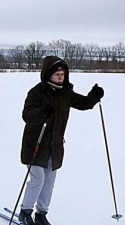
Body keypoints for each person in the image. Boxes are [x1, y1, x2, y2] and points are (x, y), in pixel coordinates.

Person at [18, 56, 104, 225]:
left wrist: (94, 96)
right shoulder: (36, 92)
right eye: (57, 73)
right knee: (38, 179)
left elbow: (83, 103)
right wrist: (41, 112)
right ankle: (25, 212)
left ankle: (41, 214)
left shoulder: (65, 93)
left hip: (54, 146)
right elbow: (26, 115)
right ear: (48, 74)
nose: (60, 76)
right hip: (35, 144)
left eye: (63, 73)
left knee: (49, 181)